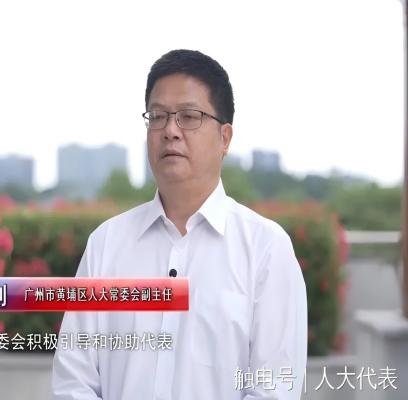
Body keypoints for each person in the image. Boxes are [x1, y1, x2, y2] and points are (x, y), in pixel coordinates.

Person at [52, 49, 307, 400]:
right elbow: (73, 381)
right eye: (158, 117)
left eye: (189, 116)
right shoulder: (106, 243)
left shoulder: (265, 249)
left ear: (225, 138)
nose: (170, 130)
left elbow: (274, 388)